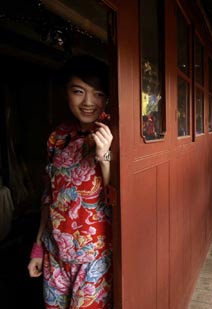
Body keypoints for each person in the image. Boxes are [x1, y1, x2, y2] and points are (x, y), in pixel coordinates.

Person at [27, 55, 113, 309]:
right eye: (78, 91)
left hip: (94, 259)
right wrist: (38, 247)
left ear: (107, 98)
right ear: (66, 93)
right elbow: (49, 194)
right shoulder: (58, 136)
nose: (88, 102)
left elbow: (118, 198)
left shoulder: (114, 132)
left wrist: (105, 157)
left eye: (98, 94)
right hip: (55, 253)